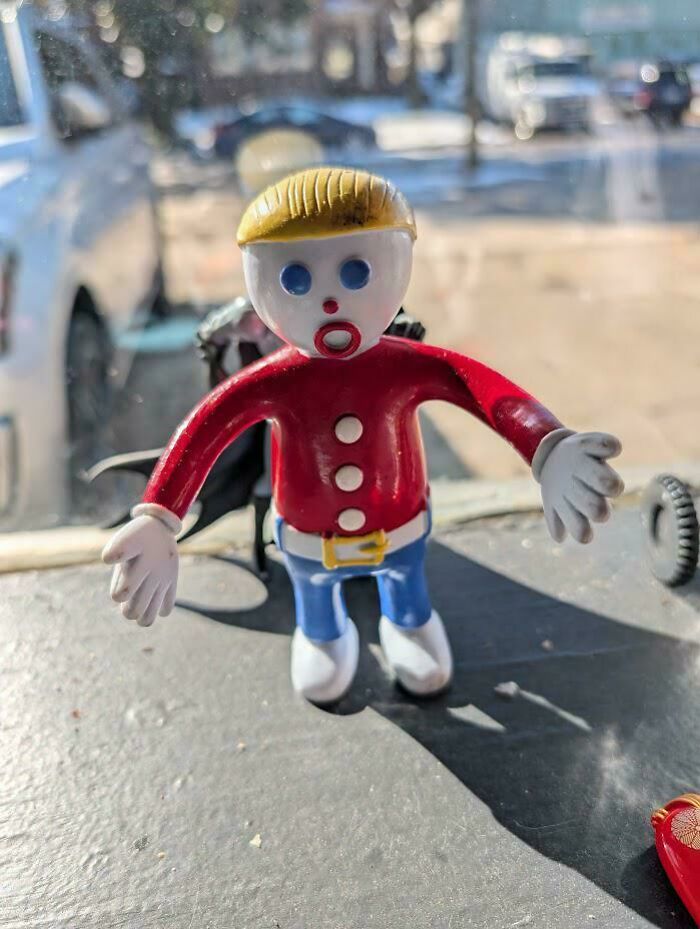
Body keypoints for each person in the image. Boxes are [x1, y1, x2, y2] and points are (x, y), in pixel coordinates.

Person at [103, 166, 623, 705]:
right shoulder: (274, 380)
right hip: (307, 533)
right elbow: (207, 424)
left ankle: (410, 626)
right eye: (296, 280)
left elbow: (483, 391)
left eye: (355, 272)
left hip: (397, 523)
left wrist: (547, 443)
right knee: (315, 594)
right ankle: (323, 635)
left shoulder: (407, 366)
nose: (329, 302)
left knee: (406, 584)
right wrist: (159, 514)